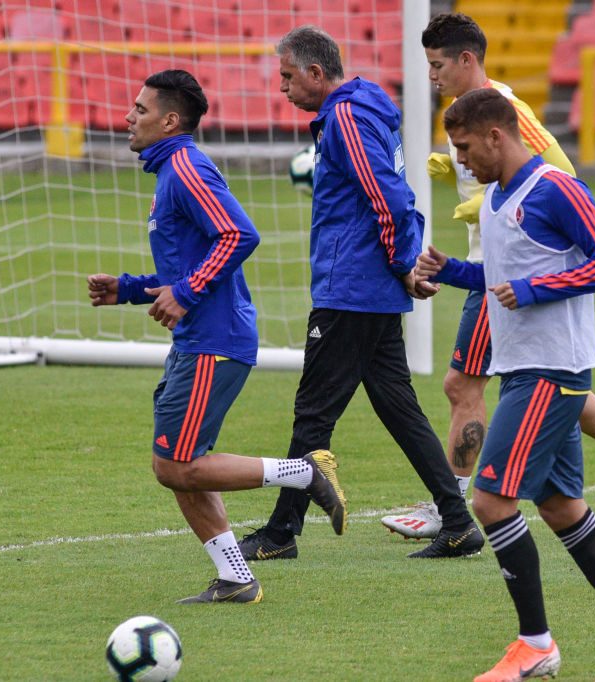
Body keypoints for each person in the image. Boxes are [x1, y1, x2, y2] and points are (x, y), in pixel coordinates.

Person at [381, 13, 595, 541]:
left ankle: (450, 505)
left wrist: (485, 205)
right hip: (492, 270)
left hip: (514, 274)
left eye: (437, 64)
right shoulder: (464, 115)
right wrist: (460, 177)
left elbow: (560, 174)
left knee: (463, 384)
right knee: (545, 384)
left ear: (466, 60)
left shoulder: (505, 108)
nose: (432, 75)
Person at [415, 88, 595, 682]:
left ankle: (535, 644)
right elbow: (503, 275)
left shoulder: (556, 188)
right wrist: (449, 270)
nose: (461, 161)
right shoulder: (496, 199)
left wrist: (536, 292)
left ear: (497, 137)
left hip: (552, 370)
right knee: (558, 505)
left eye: (464, 148)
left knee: (489, 499)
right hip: (522, 367)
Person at [87, 69, 347, 604]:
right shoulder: (170, 172)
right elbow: (192, 258)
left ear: (170, 120)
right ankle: (235, 577)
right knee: (176, 465)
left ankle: (302, 472)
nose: (128, 118)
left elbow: (239, 234)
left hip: (215, 340)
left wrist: (185, 292)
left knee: (177, 465)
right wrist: (132, 289)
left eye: (140, 109)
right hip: (196, 339)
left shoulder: (185, 169)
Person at [236, 26, 483, 562]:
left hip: (351, 287)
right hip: (367, 287)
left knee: (313, 412)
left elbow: (388, 197)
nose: (282, 87)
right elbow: (396, 194)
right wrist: (401, 267)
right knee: (398, 408)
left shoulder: (346, 118)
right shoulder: (361, 110)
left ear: (316, 74)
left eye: (287, 76)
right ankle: (458, 521)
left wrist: (402, 266)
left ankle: (281, 533)